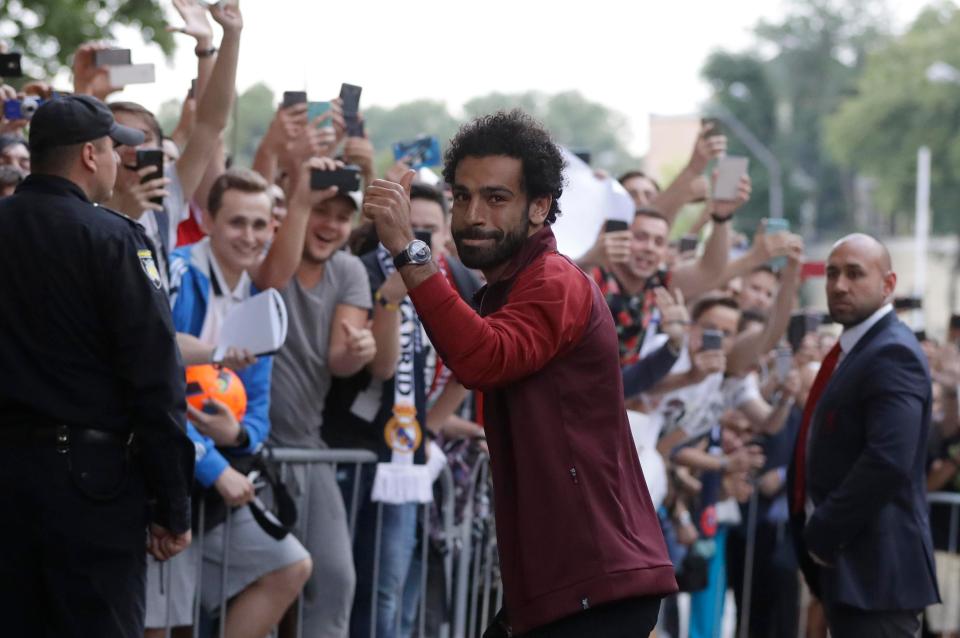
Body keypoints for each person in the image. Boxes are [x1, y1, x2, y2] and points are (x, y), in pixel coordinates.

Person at [362, 109, 677, 637]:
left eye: (496, 198)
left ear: (539, 207)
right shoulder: (509, 287)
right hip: (561, 590)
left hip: (595, 588)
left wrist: (407, 248)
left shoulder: (554, 281)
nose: (473, 214)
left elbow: (482, 358)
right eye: (462, 196)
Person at [0, 94, 194, 637]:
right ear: (90, 155)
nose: (117, 161)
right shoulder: (114, 239)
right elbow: (156, 378)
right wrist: (172, 504)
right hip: (91, 489)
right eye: (113, 149)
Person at [164, 168, 312, 637]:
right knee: (173, 623)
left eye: (259, 224)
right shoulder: (176, 272)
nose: (249, 236)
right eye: (236, 222)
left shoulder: (259, 300)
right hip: (165, 478)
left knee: (291, 565)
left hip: (217, 481)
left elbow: (260, 408)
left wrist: (238, 434)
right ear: (207, 220)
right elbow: (151, 388)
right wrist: (212, 465)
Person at [789, 233, 940, 637]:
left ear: (888, 285)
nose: (839, 285)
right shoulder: (857, 348)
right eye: (832, 273)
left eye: (855, 274)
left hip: (877, 575)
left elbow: (889, 460)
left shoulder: (893, 352)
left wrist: (822, 532)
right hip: (854, 573)